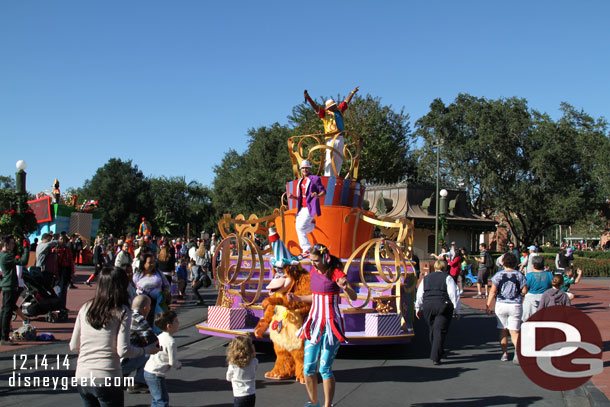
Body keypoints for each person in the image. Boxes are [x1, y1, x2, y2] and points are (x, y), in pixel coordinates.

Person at [69, 267, 159, 406]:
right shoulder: (122, 311)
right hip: (107, 376)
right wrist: (146, 350)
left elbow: (74, 346)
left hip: (83, 376)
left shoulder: (85, 308)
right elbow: (123, 350)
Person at [288, 244, 357, 407]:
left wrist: (346, 288)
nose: (313, 264)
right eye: (311, 260)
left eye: (316, 260)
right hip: (314, 324)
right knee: (308, 369)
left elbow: (352, 297)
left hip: (331, 325)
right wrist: (298, 299)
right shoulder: (313, 272)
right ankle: (314, 402)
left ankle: (327, 405)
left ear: (325, 257)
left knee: (325, 368)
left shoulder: (335, 272)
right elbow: (316, 297)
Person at [304, 86, 359, 176]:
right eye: (332, 106)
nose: (334, 107)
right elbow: (315, 107)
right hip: (331, 138)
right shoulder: (325, 113)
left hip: (340, 137)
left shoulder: (339, 110)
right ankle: (328, 177)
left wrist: (353, 92)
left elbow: (346, 101)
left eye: (334, 105)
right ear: (328, 108)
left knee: (339, 159)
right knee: (330, 159)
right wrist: (309, 98)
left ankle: (336, 177)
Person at [415, 259, 460, 365]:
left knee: (432, 329)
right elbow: (454, 294)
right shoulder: (447, 278)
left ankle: (437, 349)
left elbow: (420, 293)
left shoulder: (426, 278)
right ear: (445, 268)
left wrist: (418, 307)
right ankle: (436, 356)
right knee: (439, 330)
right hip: (442, 304)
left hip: (428, 305)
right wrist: (456, 310)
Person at [486, 253, 527, 363]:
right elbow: (524, 290)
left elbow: (493, 291)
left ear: (503, 262)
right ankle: (518, 353)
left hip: (501, 304)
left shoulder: (498, 275)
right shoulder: (519, 275)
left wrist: (488, 304)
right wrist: (520, 295)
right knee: (514, 332)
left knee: (502, 330)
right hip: (515, 304)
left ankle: (504, 354)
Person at [287, 160, 326, 257]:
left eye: (306, 168)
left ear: (309, 169)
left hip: (310, 207)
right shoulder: (300, 181)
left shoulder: (315, 179)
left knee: (300, 227)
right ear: (301, 170)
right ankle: (311, 226)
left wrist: (317, 195)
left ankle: (307, 249)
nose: (305, 169)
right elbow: (302, 197)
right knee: (298, 228)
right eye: (303, 168)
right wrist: (294, 197)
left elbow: (323, 191)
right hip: (301, 208)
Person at [144, 310, 181, 407]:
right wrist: (179, 365)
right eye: (176, 321)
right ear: (169, 326)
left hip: (148, 371)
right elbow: (172, 361)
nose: (178, 323)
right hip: (157, 374)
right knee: (162, 400)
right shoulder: (171, 342)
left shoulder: (159, 336)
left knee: (156, 398)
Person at [122, 295, 159, 394]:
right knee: (151, 351)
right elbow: (153, 340)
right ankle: (139, 382)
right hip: (123, 362)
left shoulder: (124, 314)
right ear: (146, 308)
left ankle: (121, 378)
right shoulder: (139, 319)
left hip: (112, 362)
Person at [0, 235, 30, 346]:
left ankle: (2, 335)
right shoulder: (5, 256)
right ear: (5, 244)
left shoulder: (4, 255)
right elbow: (23, 261)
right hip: (9, 285)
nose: (13, 246)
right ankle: (4, 337)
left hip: (8, 285)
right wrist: (27, 248)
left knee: (5, 310)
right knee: (7, 311)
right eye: (11, 243)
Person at [133, 253, 170, 327]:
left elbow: (166, 285)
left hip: (157, 303)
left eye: (153, 262)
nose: (152, 264)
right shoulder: (137, 275)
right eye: (150, 262)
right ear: (143, 263)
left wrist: (164, 292)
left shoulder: (158, 273)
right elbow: (134, 288)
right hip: (143, 305)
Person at [226, 335, 258, 407]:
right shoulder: (254, 361)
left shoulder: (233, 364)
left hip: (239, 395)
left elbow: (228, 377)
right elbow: (255, 368)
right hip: (251, 394)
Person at [522, 256, 553, 321]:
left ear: (533, 265)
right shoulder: (549, 275)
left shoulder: (529, 276)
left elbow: (525, 289)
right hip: (545, 299)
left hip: (531, 300)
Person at [55, 235, 75, 311]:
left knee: (64, 289)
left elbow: (70, 261)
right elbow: (55, 263)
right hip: (59, 270)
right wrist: (56, 274)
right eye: (61, 239)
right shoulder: (56, 250)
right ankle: (58, 306)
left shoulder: (67, 249)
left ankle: (63, 306)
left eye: (64, 239)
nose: (62, 241)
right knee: (59, 290)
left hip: (66, 270)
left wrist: (72, 272)